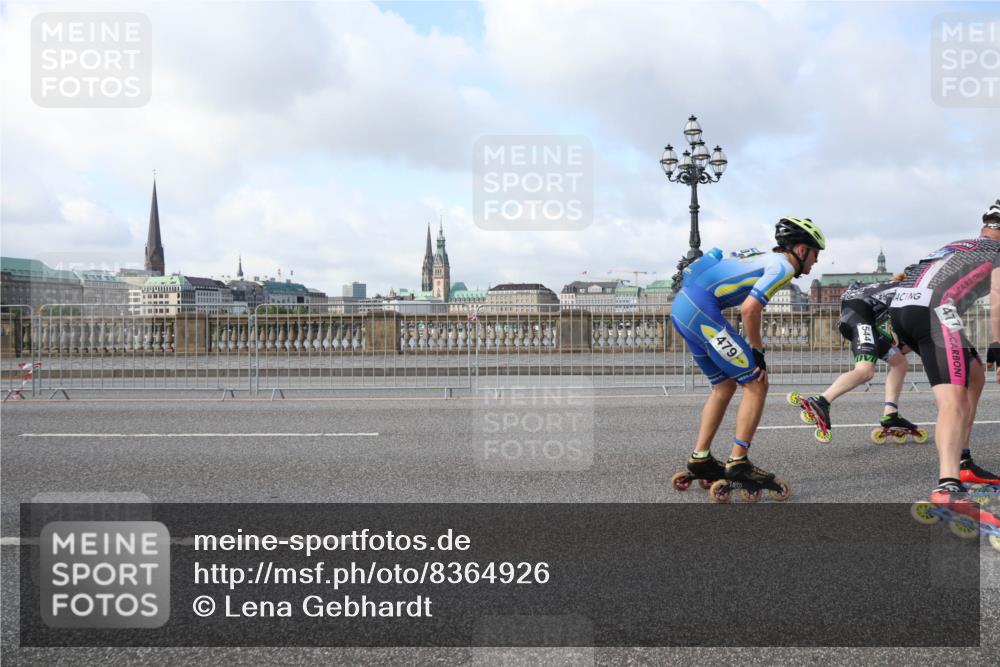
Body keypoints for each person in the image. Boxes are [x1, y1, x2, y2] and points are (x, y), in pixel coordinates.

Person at [670, 216, 824, 499]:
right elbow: (750, 309)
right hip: (701, 311)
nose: (815, 262)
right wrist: (757, 351)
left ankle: (700, 457)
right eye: (815, 254)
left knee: (724, 386)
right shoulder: (784, 266)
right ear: (802, 250)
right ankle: (738, 462)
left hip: (682, 308)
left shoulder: (762, 256)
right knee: (756, 383)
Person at [889, 199, 1000, 518]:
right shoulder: (997, 251)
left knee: (974, 375)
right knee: (954, 400)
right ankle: (948, 485)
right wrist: (997, 343)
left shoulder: (959, 244)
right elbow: (998, 295)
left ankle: (963, 463)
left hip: (907, 307)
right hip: (937, 312)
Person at [788, 275, 926, 444]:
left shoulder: (903, 286)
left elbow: (897, 333)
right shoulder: (915, 292)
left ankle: (891, 414)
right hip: (860, 316)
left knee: (899, 362)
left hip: (860, 316)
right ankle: (821, 401)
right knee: (865, 371)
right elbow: (911, 331)